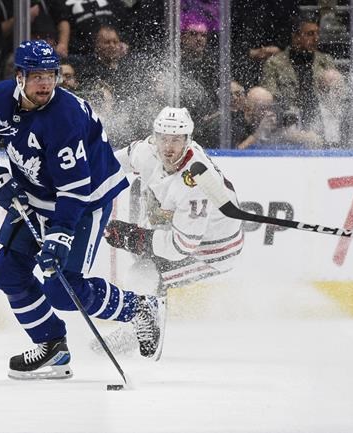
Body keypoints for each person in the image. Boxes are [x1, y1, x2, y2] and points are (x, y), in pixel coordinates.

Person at [0, 40, 163, 380]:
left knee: (61, 288)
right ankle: (52, 346)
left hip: (85, 199)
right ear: (20, 76)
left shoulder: (64, 117)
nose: (45, 84)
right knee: (7, 272)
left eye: (50, 75)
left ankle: (140, 308)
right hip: (36, 194)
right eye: (36, 76)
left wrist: (60, 236)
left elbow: (74, 189)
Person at [94, 106, 244, 355]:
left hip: (213, 250)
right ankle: (148, 310)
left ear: (188, 140)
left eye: (176, 140)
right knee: (144, 254)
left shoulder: (195, 182)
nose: (168, 147)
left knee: (143, 271)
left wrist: (134, 237)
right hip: (182, 227)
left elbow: (180, 247)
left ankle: (136, 332)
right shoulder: (147, 151)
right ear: (155, 137)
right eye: (163, 138)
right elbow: (109, 164)